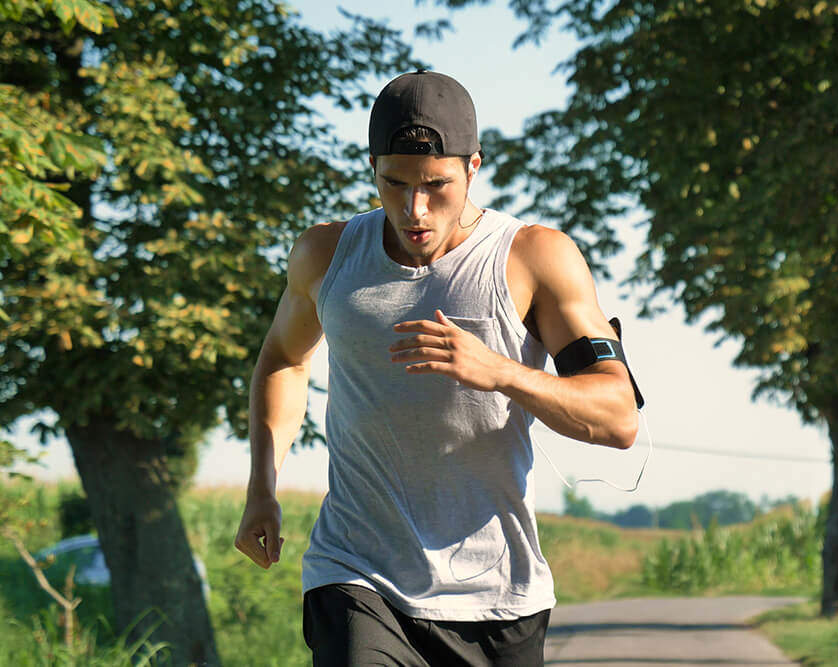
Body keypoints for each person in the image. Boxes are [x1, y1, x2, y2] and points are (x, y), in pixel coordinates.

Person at [234, 70, 639, 666]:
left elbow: (618, 417)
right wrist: (261, 487)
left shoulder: (534, 258)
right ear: (372, 167)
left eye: (436, 185)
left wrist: (500, 371)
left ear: (473, 167)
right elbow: (284, 360)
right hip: (355, 571)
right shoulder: (325, 255)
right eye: (393, 183)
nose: (413, 208)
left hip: (497, 597)